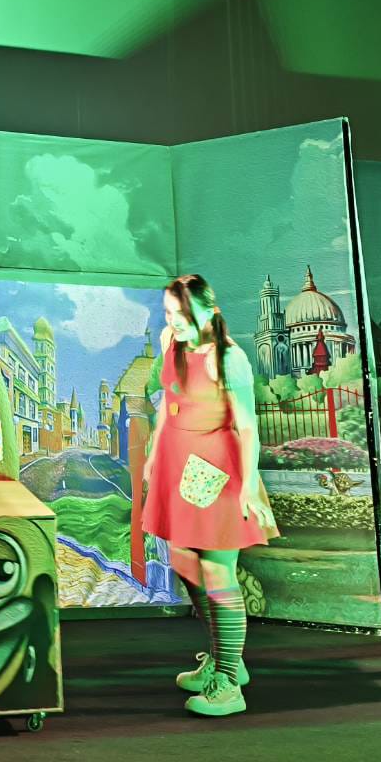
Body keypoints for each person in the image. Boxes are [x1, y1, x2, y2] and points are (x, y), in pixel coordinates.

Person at [142, 273, 278, 718]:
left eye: (183, 313)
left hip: (216, 470)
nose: (175, 321)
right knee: (184, 562)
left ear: (210, 311)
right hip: (177, 466)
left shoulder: (230, 358)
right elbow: (168, 403)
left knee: (218, 572)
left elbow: (247, 427)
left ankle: (229, 685)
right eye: (169, 313)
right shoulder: (171, 343)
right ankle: (226, 658)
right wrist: (152, 455)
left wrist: (249, 487)